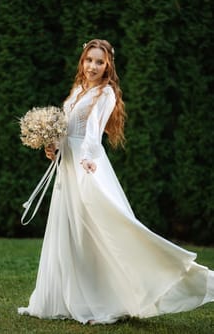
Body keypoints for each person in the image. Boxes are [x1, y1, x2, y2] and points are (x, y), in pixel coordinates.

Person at [18, 39, 214, 324]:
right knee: (69, 231)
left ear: (108, 65)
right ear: (82, 61)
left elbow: (93, 133)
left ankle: (110, 298)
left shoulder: (105, 93)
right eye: (89, 60)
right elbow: (69, 129)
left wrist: (86, 159)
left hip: (88, 166)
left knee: (104, 226)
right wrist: (53, 146)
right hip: (68, 168)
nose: (93, 66)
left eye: (99, 62)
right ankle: (60, 298)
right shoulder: (76, 91)